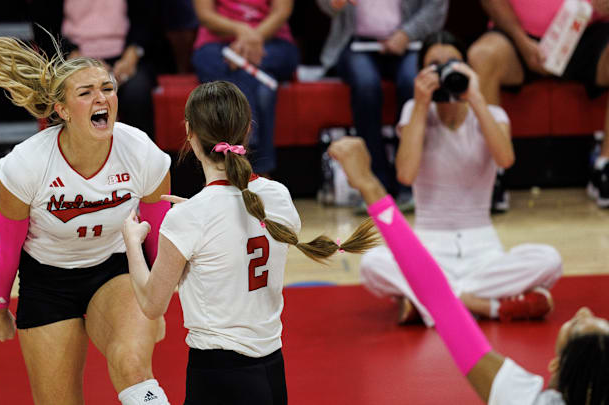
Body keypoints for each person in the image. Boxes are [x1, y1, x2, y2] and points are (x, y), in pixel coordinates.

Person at [120, 80, 381, 404]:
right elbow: (235, 222)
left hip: (217, 375)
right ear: (247, 130)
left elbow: (151, 304)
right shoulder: (279, 196)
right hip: (271, 367)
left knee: (136, 392)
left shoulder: (189, 218)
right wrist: (199, 215)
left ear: (190, 133)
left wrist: (132, 241)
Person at [0, 35, 172, 405]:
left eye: (107, 88)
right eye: (85, 93)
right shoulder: (26, 165)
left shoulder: (143, 152)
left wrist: (156, 301)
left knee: (132, 364)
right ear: (63, 110)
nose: (101, 98)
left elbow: (155, 235)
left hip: (114, 269)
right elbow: (8, 246)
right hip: (47, 281)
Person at [328, 135, 609, 405]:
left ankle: (432, 302)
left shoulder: (522, 398)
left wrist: (368, 184)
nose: (584, 310)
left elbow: (442, 303)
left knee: (377, 265)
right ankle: (487, 303)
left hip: (458, 262)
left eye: (577, 326)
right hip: (457, 262)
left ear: (556, 364)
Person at [360, 31, 563, 326]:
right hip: (428, 248)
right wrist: (419, 102)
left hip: (483, 249)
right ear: (420, 73)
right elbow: (405, 174)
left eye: (453, 63)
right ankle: (487, 306)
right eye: (435, 65)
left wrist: (477, 97)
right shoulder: (414, 111)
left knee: (549, 259)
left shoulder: (492, 113)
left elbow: (505, 159)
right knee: (371, 264)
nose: (444, 72)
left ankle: (431, 303)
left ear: (468, 68)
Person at [468, 0, 609, 209]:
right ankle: (492, 173)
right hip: (519, 35)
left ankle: (605, 166)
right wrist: (521, 39)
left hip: (586, 31)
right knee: (482, 56)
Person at [316, 0, 448, 205]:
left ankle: (410, 181)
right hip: (355, 43)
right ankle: (374, 180)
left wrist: (407, 34)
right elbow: (328, 6)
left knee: (413, 82)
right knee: (365, 85)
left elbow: (435, 7)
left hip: (413, 43)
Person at [191, 0, 299, 176]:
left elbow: (281, 11)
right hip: (217, 44)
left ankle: (240, 155)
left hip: (270, 42)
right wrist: (240, 30)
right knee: (264, 91)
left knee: (245, 75)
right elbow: (205, 14)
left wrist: (249, 40)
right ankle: (260, 170)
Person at [30, 0, 163, 136]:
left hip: (124, 56)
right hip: (72, 56)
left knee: (137, 93)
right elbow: (44, 26)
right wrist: (74, 56)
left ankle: (139, 155)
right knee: (65, 95)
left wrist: (132, 54)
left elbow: (147, 18)